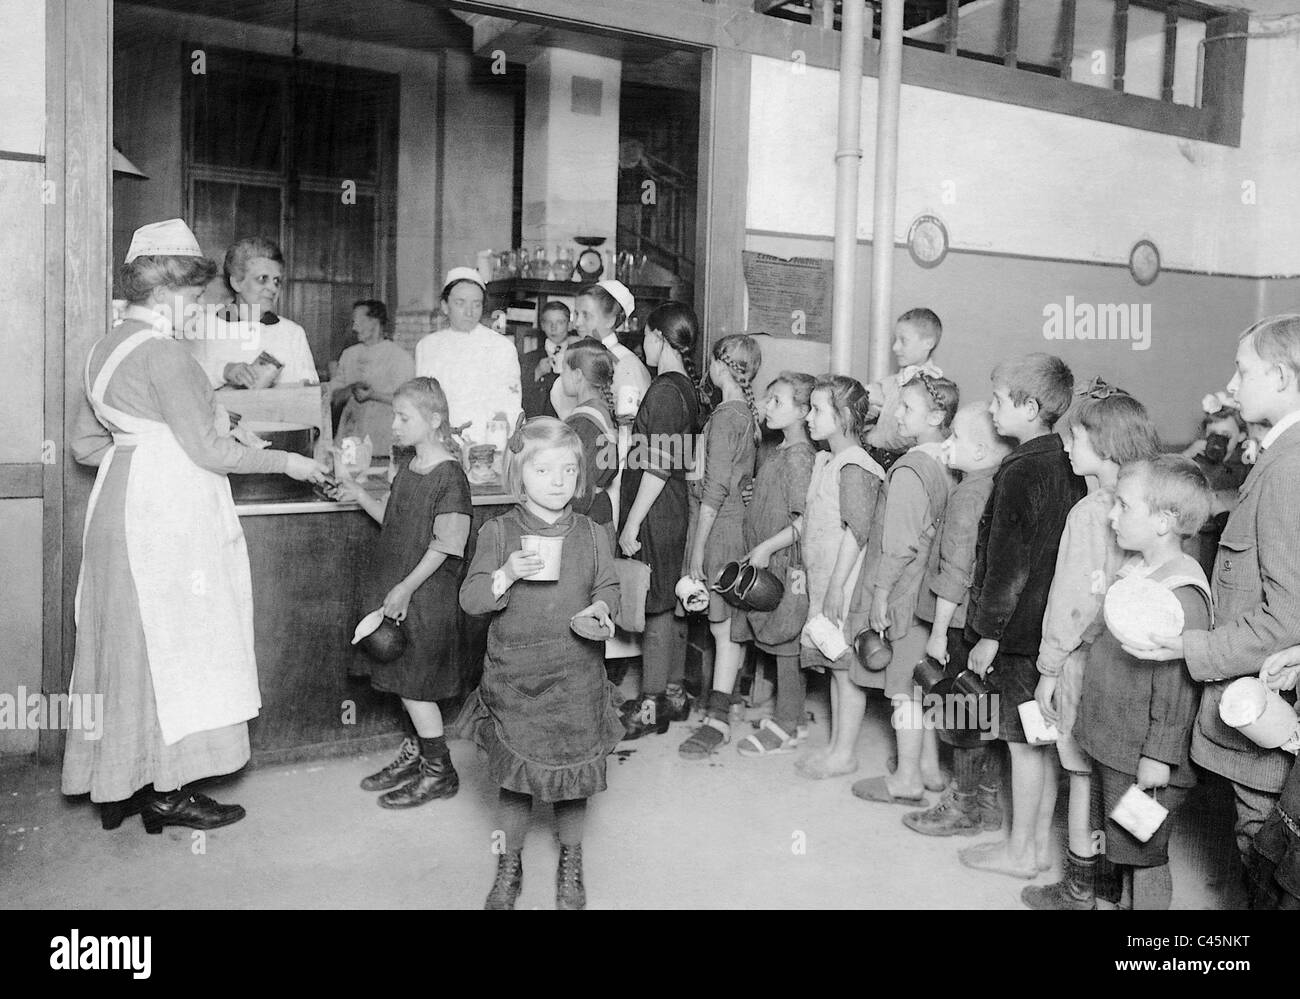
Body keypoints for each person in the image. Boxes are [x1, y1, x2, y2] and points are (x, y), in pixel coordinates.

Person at [63, 218, 328, 834]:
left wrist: (148, 447)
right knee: (179, 646)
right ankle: (169, 790)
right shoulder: (165, 354)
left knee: (128, 647)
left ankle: (119, 784)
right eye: (196, 297)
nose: (200, 309)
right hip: (164, 520)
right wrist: (291, 461)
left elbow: (83, 445)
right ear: (169, 293)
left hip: (115, 512)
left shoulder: (106, 347)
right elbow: (213, 454)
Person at [1130, 315, 1300, 877]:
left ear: (1279, 376)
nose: (1232, 383)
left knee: (1265, 860)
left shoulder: (1287, 468)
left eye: (1243, 369)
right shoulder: (1279, 455)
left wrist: (1188, 646)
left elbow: (1285, 617)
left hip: (1263, 711)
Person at [457, 418, 623, 910]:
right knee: (516, 781)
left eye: (569, 471)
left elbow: (607, 586)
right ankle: (510, 862)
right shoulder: (498, 531)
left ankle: (571, 858)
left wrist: (602, 609)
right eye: (544, 469)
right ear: (518, 474)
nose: (558, 481)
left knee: (574, 778)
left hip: (577, 677)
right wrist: (505, 574)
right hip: (516, 678)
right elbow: (470, 600)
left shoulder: (593, 534)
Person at [1024, 383, 1160, 910]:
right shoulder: (1150, 506)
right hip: (1133, 664)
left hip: (1083, 660)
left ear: (1105, 449)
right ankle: (1114, 882)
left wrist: (1049, 667)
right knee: (1122, 776)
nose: (1066, 447)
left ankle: (1079, 882)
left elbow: (1071, 603)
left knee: (1079, 769)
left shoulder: (1090, 513)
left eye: (1076, 438)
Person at [957, 353, 1085, 880]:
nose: (991, 410)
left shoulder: (1020, 472)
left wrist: (987, 635)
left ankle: (1017, 854)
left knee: (1020, 745)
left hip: (1016, 635)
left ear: (1030, 407)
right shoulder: (1065, 460)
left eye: (999, 400)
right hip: (1049, 630)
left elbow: (1007, 567)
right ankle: (1034, 848)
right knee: (1041, 742)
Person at [1075, 456, 1213, 910]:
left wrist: (1159, 756)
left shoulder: (1181, 592)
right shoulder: (1138, 569)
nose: (1113, 515)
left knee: (1143, 854)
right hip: (1114, 743)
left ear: (1163, 521)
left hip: (1143, 754)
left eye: (1124, 505)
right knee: (1117, 845)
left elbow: (1177, 689)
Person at [339, 377, 472, 808]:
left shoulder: (450, 476)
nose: (393, 425)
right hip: (401, 590)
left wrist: (405, 588)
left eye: (403, 417)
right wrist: (359, 492)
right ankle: (419, 753)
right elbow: (394, 520)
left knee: (416, 686)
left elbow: (447, 544)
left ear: (434, 420)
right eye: (394, 415)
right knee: (403, 680)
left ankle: (439, 772)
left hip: (426, 597)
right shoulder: (410, 466)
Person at [751, 376, 885, 780]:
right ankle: (835, 748)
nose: (809, 417)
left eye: (818, 410)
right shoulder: (827, 460)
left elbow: (856, 530)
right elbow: (811, 519)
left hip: (841, 586)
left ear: (843, 417)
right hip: (824, 583)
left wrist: (837, 589)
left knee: (846, 670)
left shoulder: (856, 465)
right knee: (834, 664)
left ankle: (844, 754)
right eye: (808, 408)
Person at [848, 374, 958, 806]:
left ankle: (907, 780)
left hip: (903, 594)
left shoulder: (912, 468)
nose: (896, 413)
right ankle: (930, 769)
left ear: (936, 417)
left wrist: (878, 597)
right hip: (930, 594)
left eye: (907, 408)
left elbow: (898, 545)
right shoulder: (948, 462)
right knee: (921, 686)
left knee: (903, 694)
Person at [903, 404, 1012, 837]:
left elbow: (956, 568)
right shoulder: (996, 486)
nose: (947, 446)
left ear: (982, 451)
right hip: (985, 621)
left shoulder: (968, 494)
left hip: (959, 623)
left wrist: (938, 633)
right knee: (983, 712)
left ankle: (961, 806)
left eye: (957, 440)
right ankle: (985, 801)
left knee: (959, 717)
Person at [617, 303, 704, 738]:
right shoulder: (686, 387)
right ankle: (673, 694)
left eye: (646, 338)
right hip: (670, 508)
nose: (643, 346)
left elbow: (659, 465)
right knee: (668, 605)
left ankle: (650, 707)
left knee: (654, 608)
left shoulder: (666, 390)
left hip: (655, 509)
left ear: (657, 337)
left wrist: (631, 523)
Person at [678, 334, 762, 759]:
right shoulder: (733, 412)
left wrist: (697, 552)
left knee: (724, 628)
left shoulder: (730, 416)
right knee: (721, 626)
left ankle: (718, 719)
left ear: (721, 366)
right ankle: (719, 704)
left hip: (720, 530)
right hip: (721, 523)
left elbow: (715, 489)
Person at [733, 373, 818, 756]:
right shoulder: (780, 450)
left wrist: (767, 546)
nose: (768, 406)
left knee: (786, 641)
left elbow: (804, 521)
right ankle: (792, 714)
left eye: (778, 401)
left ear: (803, 411)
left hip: (785, 562)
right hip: (770, 558)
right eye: (768, 399)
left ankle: (786, 725)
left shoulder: (801, 456)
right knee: (776, 637)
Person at [415, 267, 522, 454]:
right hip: (440, 446)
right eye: (460, 303)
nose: (469, 312)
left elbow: (510, 405)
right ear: (445, 306)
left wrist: (496, 448)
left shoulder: (501, 347)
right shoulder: (427, 346)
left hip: (487, 449)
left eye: (477, 304)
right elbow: (422, 402)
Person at [189, 236, 319, 388]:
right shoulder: (203, 326)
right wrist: (224, 371)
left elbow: (309, 393)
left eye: (277, 281)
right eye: (262, 279)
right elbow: (186, 382)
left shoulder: (292, 333)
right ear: (236, 283)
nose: (273, 288)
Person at [864, 308, 944, 472]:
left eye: (903, 341)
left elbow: (909, 437)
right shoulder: (891, 382)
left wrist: (871, 437)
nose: (895, 347)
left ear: (928, 343)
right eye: (895, 340)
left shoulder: (932, 387)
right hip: (877, 457)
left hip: (903, 463)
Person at [332, 300, 414, 456]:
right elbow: (334, 395)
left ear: (374, 322)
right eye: (354, 322)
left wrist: (373, 395)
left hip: (383, 439)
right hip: (350, 439)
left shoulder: (399, 357)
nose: (354, 328)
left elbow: (408, 401)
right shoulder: (349, 354)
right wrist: (350, 389)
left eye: (359, 322)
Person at [559, 338, 620, 527]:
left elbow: (580, 485)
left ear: (577, 375)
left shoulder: (583, 422)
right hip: (599, 511)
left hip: (585, 519)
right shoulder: (601, 411)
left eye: (564, 370)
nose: (561, 376)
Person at [575, 280, 650, 421]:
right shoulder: (581, 355)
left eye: (586, 315)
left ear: (610, 320)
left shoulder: (625, 364)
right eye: (576, 314)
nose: (577, 323)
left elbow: (629, 426)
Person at [521, 301, 575, 419]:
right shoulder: (529, 358)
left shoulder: (577, 357)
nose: (554, 328)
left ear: (569, 325)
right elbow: (518, 395)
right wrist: (537, 373)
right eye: (548, 322)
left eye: (560, 322)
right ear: (542, 325)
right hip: (539, 424)